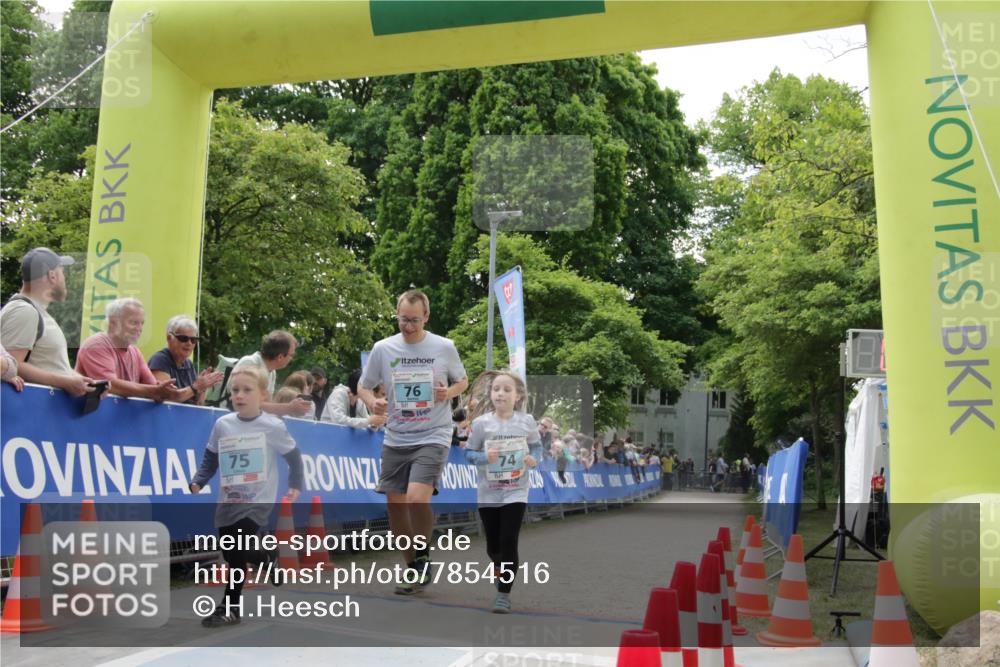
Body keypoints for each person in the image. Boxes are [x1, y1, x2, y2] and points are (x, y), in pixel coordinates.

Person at [357, 289, 468, 595]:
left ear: (426, 317)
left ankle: (422, 556)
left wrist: (449, 392)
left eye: (414, 321)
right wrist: (372, 403)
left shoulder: (444, 347)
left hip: (433, 433)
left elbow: (462, 380)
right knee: (394, 504)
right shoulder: (383, 348)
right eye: (403, 319)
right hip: (396, 435)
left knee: (416, 499)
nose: (407, 326)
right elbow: (364, 386)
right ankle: (414, 566)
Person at [188, 365, 303, 628]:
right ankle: (265, 558)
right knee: (231, 552)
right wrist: (199, 480)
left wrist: (296, 483)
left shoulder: (272, 426)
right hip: (229, 498)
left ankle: (230, 608)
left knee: (237, 549)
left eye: (247, 390)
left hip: (258, 499)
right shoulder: (223, 424)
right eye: (235, 390)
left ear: (263, 395)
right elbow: (211, 457)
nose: (239, 395)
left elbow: (293, 456)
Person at [463, 370, 542, 614]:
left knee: (509, 540)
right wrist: (484, 457)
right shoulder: (481, 423)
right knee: (493, 546)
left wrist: (533, 459)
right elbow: (468, 454)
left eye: (507, 390)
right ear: (491, 393)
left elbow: (537, 447)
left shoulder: (526, 421)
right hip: (488, 492)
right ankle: (500, 566)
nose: (501, 393)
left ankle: (503, 594)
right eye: (497, 389)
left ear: (517, 396)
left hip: (516, 490)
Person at [0, 247, 94, 397]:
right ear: (52, 276)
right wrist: (64, 382)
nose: (65, 279)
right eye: (62, 272)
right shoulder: (24, 311)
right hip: (31, 413)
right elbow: (11, 366)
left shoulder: (34, 311)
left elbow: (47, 364)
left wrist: (76, 378)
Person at [75, 298, 186, 402]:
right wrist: (155, 391)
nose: (139, 329)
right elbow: (111, 385)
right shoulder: (96, 345)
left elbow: (153, 386)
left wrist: (164, 391)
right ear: (113, 323)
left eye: (142, 323)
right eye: (133, 322)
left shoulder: (135, 352)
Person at [230, 330, 312, 417]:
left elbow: (266, 405)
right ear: (280, 357)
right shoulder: (250, 363)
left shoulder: (272, 372)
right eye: (291, 355)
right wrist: (289, 408)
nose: (292, 359)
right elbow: (248, 402)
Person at [147, 315, 224, 404]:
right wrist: (197, 386)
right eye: (183, 338)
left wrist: (203, 388)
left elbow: (198, 404)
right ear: (169, 338)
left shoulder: (188, 364)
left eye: (193, 340)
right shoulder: (160, 360)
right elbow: (166, 398)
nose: (189, 343)